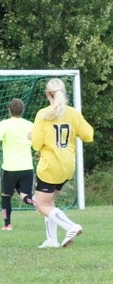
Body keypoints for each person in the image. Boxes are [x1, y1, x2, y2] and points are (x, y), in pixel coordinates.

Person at [32, 78, 94, 248]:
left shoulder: (43, 114)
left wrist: (33, 138)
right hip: (67, 165)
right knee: (50, 203)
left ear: (47, 94)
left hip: (50, 165)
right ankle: (52, 240)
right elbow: (88, 135)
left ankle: (71, 226)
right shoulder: (73, 113)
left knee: (40, 204)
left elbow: (36, 144)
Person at [0, 98, 35, 231]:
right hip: (27, 168)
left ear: (9, 110)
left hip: (10, 169)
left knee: (6, 196)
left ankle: (7, 224)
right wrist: (38, 152)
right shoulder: (30, 125)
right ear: (23, 111)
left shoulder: (4, 124)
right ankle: (38, 202)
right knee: (25, 196)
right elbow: (37, 141)